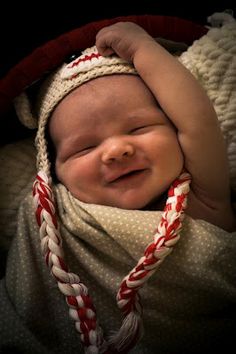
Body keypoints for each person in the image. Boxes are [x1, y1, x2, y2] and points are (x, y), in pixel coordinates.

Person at [0, 20, 236, 354]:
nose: (116, 150)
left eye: (139, 128)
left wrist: (143, 51)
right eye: (84, 148)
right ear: (54, 170)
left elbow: (197, 120)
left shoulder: (200, 198)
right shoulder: (49, 215)